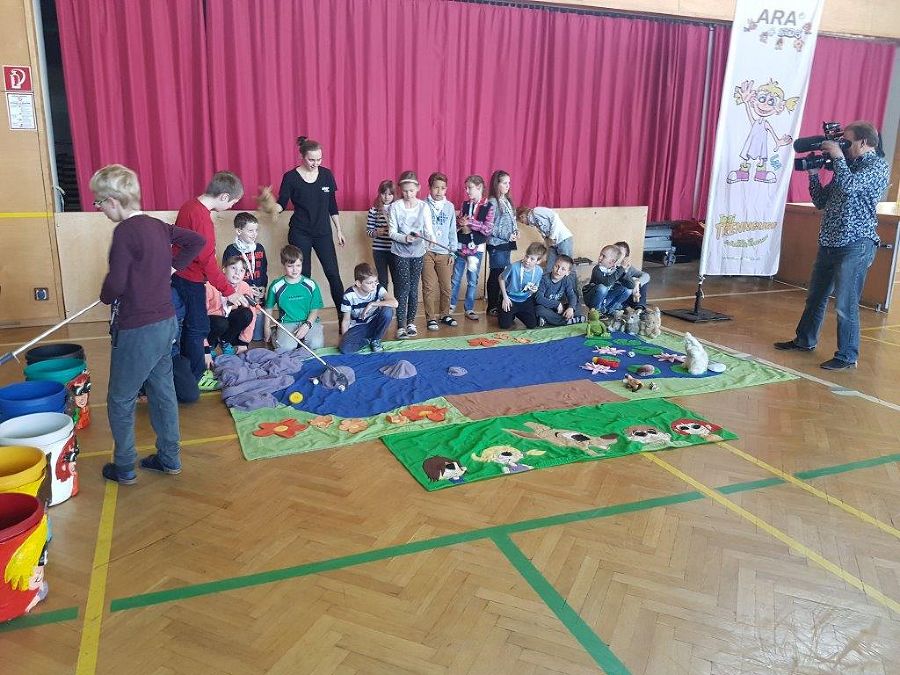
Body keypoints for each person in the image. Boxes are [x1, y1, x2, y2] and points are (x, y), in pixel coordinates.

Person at [92, 164, 205, 484]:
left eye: (99, 202)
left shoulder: (125, 232)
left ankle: (124, 466)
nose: (100, 209)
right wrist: (172, 267)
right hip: (166, 323)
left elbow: (115, 283)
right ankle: (170, 458)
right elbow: (195, 241)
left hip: (138, 328)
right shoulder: (156, 226)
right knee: (162, 391)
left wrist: (105, 295)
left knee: (120, 398)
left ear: (114, 200)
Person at [774, 121, 889, 370]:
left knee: (846, 304)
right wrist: (814, 174)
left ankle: (847, 356)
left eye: (847, 142)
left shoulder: (876, 167)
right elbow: (820, 201)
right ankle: (805, 340)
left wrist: (837, 157)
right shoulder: (846, 166)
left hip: (856, 244)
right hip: (830, 242)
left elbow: (849, 188)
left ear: (864, 142)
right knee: (815, 297)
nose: (842, 147)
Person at [258, 136, 345, 322]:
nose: (316, 163)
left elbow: (332, 205)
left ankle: (344, 316)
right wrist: (271, 206)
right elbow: (281, 205)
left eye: (319, 159)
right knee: (303, 275)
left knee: (333, 274)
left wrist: (339, 229)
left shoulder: (327, 175)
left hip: (323, 232)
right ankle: (303, 318)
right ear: (302, 157)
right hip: (300, 232)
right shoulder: (290, 177)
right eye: (311, 159)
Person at [173, 171, 248, 381]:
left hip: (182, 276)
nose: (232, 206)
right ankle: (196, 376)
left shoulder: (189, 205)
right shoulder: (202, 218)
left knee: (191, 327)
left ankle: (188, 372)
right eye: (233, 202)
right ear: (223, 196)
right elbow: (207, 261)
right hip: (190, 280)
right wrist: (229, 291)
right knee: (198, 328)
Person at [388, 171, 435, 339]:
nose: (408, 194)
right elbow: (392, 232)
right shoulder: (395, 206)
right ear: (401, 190)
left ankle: (410, 323)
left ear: (418, 189)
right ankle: (400, 325)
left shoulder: (424, 207)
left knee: (414, 288)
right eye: (405, 191)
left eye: (411, 191)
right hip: (400, 252)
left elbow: (429, 230)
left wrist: (430, 239)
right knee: (403, 288)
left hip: (418, 252)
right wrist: (405, 238)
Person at [264, 245, 325, 354]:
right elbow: (268, 309)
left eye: (298, 265)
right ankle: (276, 332)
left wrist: (307, 325)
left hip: (309, 321)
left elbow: (314, 310)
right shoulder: (276, 285)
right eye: (290, 266)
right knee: (286, 349)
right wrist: (266, 327)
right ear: (283, 265)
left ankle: (308, 335)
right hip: (287, 322)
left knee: (316, 345)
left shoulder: (311, 284)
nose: (295, 270)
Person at [450, 175, 494, 322]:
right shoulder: (464, 204)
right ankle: (450, 306)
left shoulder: (489, 206)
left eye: (470, 187)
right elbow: (460, 223)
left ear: (479, 187)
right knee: (455, 278)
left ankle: (469, 308)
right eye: (466, 187)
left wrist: (471, 223)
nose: (467, 190)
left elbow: (487, 230)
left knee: (472, 280)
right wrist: (461, 222)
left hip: (477, 249)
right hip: (461, 247)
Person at [203, 256, 258, 373]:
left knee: (247, 314)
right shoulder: (209, 286)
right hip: (212, 323)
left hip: (228, 322)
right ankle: (212, 344)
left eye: (242, 270)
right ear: (223, 269)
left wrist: (244, 342)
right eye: (233, 268)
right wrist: (205, 348)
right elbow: (199, 319)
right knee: (220, 323)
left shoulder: (244, 287)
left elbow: (252, 315)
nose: (237, 273)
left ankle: (225, 341)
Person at [221, 212, 268, 341]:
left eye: (256, 230)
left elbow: (263, 271)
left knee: (257, 337)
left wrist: (263, 288)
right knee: (240, 325)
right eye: (250, 231)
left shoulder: (260, 248)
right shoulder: (231, 250)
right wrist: (245, 289)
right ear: (238, 231)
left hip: (258, 295)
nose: (255, 234)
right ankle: (229, 339)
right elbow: (227, 277)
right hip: (240, 296)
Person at [422, 172, 458, 331]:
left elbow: (452, 231)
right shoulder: (422, 205)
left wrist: (453, 251)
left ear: (446, 189)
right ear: (429, 188)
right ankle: (430, 318)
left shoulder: (449, 207)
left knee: (446, 286)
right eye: (436, 187)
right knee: (429, 286)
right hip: (427, 253)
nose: (439, 191)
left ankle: (445, 314)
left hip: (444, 253)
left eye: (442, 188)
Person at [339, 263, 398, 354]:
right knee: (345, 349)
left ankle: (376, 340)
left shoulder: (377, 288)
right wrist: (345, 339)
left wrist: (373, 304)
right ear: (358, 283)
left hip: (375, 322)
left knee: (388, 310)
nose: (374, 285)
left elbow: (395, 303)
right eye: (369, 283)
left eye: (375, 281)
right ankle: (367, 340)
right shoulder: (349, 296)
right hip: (359, 326)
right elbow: (346, 320)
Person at [486, 170, 518, 316]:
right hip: (496, 244)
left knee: (503, 273)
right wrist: (507, 234)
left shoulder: (507, 201)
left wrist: (515, 231)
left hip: (506, 244)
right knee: (496, 273)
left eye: (509, 183)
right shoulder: (492, 202)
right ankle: (492, 305)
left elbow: (511, 220)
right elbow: (489, 226)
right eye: (504, 183)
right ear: (496, 184)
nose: (508, 186)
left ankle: (500, 302)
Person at [498, 242, 547, 330]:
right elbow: (500, 278)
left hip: (525, 300)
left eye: (532, 259)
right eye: (527, 256)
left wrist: (534, 290)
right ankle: (508, 310)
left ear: (538, 261)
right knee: (504, 325)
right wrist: (505, 297)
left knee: (532, 325)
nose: (527, 260)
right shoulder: (513, 267)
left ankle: (516, 312)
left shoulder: (539, 271)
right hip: (510, 299)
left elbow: (535, 286)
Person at [516, 206, 574, 273]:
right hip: (552, 243)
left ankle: (570, 282)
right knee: (550, 266)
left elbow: (554, 217)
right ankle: (547, 283)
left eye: (522, 222)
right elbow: (545, 232)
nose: (525, 224)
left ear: (522, 216)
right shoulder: (534, 223)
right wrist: (546, 242)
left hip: (563, 239)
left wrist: (551, 237)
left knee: (566, 265)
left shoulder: (536, 211)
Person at [534, 254, 584, 326]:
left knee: (577, 305)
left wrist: (570, 308)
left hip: (561, 308)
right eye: (556, 266)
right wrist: (556, 304)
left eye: (563, 269)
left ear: (567, 273)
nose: (558, 270)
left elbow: (571, 295)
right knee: (539, 310)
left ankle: (550, 320)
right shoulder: (544, 279)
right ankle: (566, 321)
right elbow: (538, 298)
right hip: (548, 307)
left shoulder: (567, 279)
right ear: (553, 265)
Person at [583, 245, 634, 314]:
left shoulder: (616, 270)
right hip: (592, 300)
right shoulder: (597, 269)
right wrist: (621, 269)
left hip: (606, 300)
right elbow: (607, 282)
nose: (600, 257)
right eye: (600, 255)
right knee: (602, 288)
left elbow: (631, 285)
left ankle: (610, 309)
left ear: (612, 261)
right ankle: (595, 312)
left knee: (627, 290)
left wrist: (624, 271)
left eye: (603, 256)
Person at [366, 180, 395, 290]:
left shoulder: (397, 209)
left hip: (394, 249)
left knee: (397, 279)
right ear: (379, 194)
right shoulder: (373, 210)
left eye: (390, 194)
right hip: (379, 250)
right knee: (382, 280)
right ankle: (384, 306)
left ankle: (397, 305)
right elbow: (369, 231)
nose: (386, 197)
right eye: (384, 193)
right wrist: (377, 232)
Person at [614, 240, 650, 308]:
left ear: (625, 257)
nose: (617, 255)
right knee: (629, 283)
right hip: (613, 299)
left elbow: (646, 276)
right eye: (615, 252)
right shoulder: (608, 265)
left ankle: (639, 308)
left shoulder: (628, 268)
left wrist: (637, 283)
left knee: (640, 281)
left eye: (620, 253)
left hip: (628, 298)